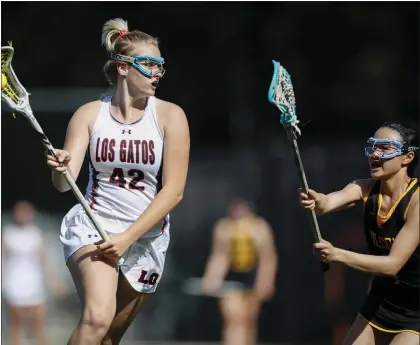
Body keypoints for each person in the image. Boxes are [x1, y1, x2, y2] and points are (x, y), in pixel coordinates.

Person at [46, 18, 190, 345]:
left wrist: (127, 237)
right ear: (123, 68)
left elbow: (174, 191)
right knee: (97, 319)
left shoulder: (171, 116)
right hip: (94, 227)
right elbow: (63, 185)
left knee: (109, 337)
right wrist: (61, 168)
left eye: (160, 66)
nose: (157, 73)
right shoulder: (88, 114)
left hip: (145, 237)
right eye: (149, 64)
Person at [299, 121, 419, 345]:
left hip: (416, 310)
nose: (375, 153)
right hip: (381, 303)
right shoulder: (364, 188)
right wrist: (316, 200)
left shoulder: (416, 202)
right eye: (373, 147)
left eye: (384, 148)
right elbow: (327, 203)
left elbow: (392, 265)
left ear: (407, 158)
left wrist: (337, 255)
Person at [202, 198, 278, 345]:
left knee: (248, 320)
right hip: (231, 277)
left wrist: (266, 281)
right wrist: (211, 278)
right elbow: (219, 256)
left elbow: (267, 257)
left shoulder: (260, 228)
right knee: (233, 318)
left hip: (252, 276)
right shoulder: (224, 228)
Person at [2, 200, 65, 345]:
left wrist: (55, 282)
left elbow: (45, 260)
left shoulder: (35, 233)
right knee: (16, 324)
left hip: (34, 282)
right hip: (14, 283)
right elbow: (3, 260)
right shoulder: (8, 233)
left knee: (38, 323)